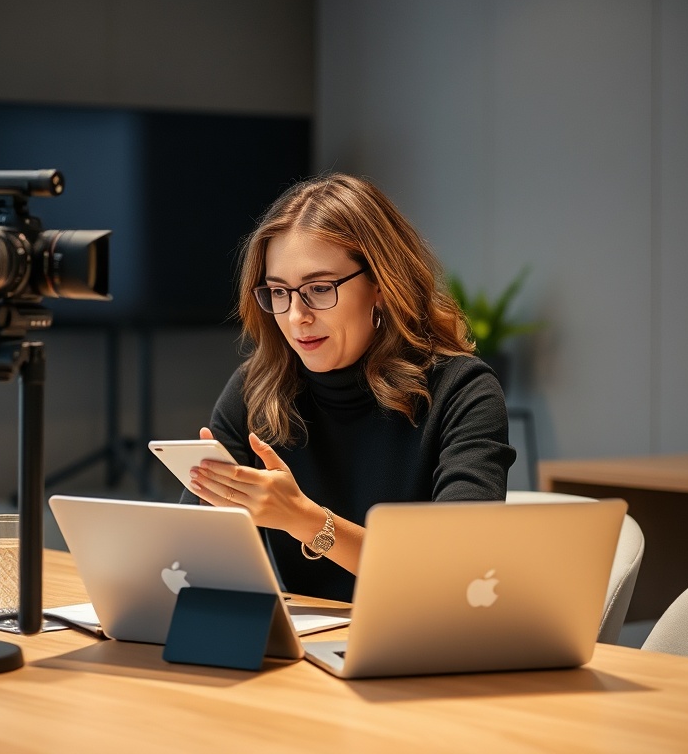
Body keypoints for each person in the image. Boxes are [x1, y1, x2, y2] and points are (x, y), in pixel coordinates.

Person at [180, 173, 516, 602]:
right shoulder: (256, 388)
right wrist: (211, 515)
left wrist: (306, 521)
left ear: (379, 284)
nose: (296, 315)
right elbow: (187, 561)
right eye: (279, 292)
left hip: (424, 636)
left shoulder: (464, 391)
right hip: (312, 645)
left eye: (319, 289)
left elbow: (453, 572)